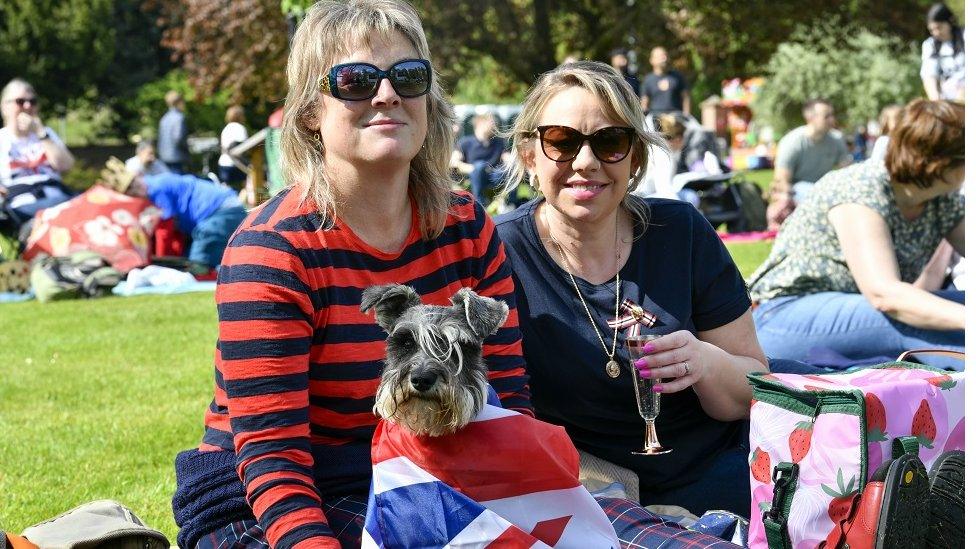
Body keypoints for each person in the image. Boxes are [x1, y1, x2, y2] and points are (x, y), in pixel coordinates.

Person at [168, 2, 532, 547]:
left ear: (428, 101)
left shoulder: (465, 225)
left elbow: (507, 400)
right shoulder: (272, 251)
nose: (387, 95)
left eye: (408, 77)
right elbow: (275, 458)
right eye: (355, 81)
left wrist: (532, 506)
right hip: (265, 499)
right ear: (311, 111)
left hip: (426, 473)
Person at [496, 61, 768, 518]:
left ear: (635, 157)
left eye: (610, 141)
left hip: (721, 469)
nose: (586, 162)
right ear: (529, 155)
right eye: (561, 142)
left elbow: (752, 391)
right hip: (588, 492)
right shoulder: (501, 253)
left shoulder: (681, 231)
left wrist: (704, 362)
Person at [749, 99, 964, 368]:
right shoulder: (860, 188)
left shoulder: (942, 200)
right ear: (943, 164)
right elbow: (886, 296)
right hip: (782, 316)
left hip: (862, 315)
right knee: (916, 321)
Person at [102, 158, 245, 268]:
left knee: (199, 263)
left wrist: (159, 264)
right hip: (222, 212)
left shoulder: (156, 189)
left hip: (222, 211)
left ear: (138, 176)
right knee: (193, 258)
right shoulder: (152, 188)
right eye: (130, 190)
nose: (135, 189)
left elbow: (165, 231)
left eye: (133, 182)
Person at [0, 78, 74, 232]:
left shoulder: (46, 134)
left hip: (58, 196)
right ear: (4, 107)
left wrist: (41, 133)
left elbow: (66, 166)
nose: (27, 106)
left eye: (32, 102)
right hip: (21, 205)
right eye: (20, 102)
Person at [766, 98, 849, 230]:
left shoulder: (837, 139)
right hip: (798, 192)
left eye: (832, 115)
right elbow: (781, 180)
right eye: (826, 116)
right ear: (810, 117)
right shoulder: (793, 142)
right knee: (805, 188)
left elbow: (847, 173)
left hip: (826, 190)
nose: (832, 120)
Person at [450, 113, 513, 207]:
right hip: (474, 175)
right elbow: (454, 162)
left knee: (510, 170)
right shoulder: (466, 142)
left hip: (494, 174)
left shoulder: (499, 142)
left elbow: (507, 157)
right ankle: (479, 204)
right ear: (480, 123)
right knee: (479, 166)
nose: (494, 125)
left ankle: (511, 203)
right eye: (491, 122)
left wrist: (514, 162)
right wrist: (472, 168)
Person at [921, 3, 965, 101]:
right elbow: (929, 74)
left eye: (939, 27)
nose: (936, 33)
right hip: (947, 102)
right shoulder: (930, 45)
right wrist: (936, 100)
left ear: (950, 21)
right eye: (932, 30)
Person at [640, 46, 689, 116]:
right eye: (661, 56)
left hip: (676, 117)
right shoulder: (648, 80)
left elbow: (686, 97)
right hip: (656, 118)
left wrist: (686, 115)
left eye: (665, 55)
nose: (664, 58)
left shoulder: (677, 77)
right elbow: (644, 102)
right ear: (652, 60)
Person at [157, 90, 190, 174]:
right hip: (177, 158)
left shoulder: (164, 118)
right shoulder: (179, 117)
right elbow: (178, 138)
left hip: (164, 157)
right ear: (178, 102)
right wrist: (187, 151)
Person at [217, 105, 248, 186]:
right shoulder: (241, 128)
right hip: (237, 165)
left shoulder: (225, 129)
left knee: (225, 187)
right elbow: (244, 148)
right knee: (247, 184)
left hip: (223, 163)